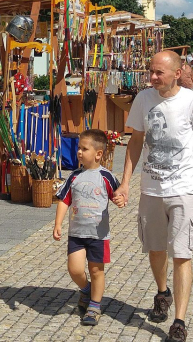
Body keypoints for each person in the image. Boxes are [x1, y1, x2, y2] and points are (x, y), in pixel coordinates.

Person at [115, 51, 193, 342]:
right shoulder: (143, 99)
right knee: (156, 249)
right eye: (151, 72)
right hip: (151, 189)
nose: (153, 77)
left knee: (182, 254)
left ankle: (179, 321)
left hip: (184, 189)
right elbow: (135, 141)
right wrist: (125, 184)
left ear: (176, 72)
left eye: (159, 72)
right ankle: (163, 292)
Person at [53, 129, 123, 326]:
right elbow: (64, 201)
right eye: (79, 148)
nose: (79, 152)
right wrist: (58, 224)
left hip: (98, 235)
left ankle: (94, 305)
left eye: (84, 149)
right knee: (75, 269)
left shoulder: (106, 176)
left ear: (98, 154)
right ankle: (86, 290)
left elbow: (117, 194)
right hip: (76, 233)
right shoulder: (73, 176)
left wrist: (120, 199)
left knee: (96, 270)